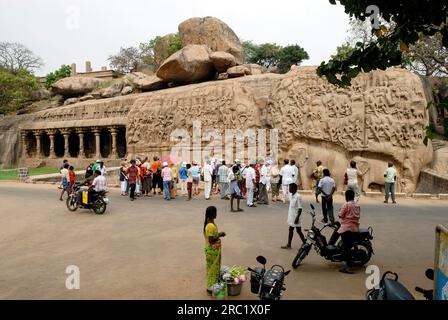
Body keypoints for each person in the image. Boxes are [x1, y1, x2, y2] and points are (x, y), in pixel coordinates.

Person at [204, 206, 226, 294]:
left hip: (213, 250)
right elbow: (211, 240)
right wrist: (220, 234)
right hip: (212, 251)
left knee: (213, 269)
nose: (217, 214)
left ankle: (212, 286)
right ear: (213, 214)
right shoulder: (210, 226)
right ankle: (210, 288)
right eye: (215, 212)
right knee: (213, 269)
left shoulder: (211, 224)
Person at [338, 190, 360, 274]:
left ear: (346, 196)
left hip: (346, 229)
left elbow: (340, 215)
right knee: (348, 247)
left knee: (346, 248)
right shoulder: (357, 205)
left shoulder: (346, 204)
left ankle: (349, 268)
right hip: (355, 228)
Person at [281, 183, 306, 249]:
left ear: (294, 189)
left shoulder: (298, 196)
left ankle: (304, 243)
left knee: (298, 231)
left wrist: (297, 218)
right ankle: (289, 244)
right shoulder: (292, 195)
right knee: (292, 230)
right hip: (292, 216)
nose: (289, 189)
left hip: (296, 217)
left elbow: (300, 208)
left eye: (290, 188)